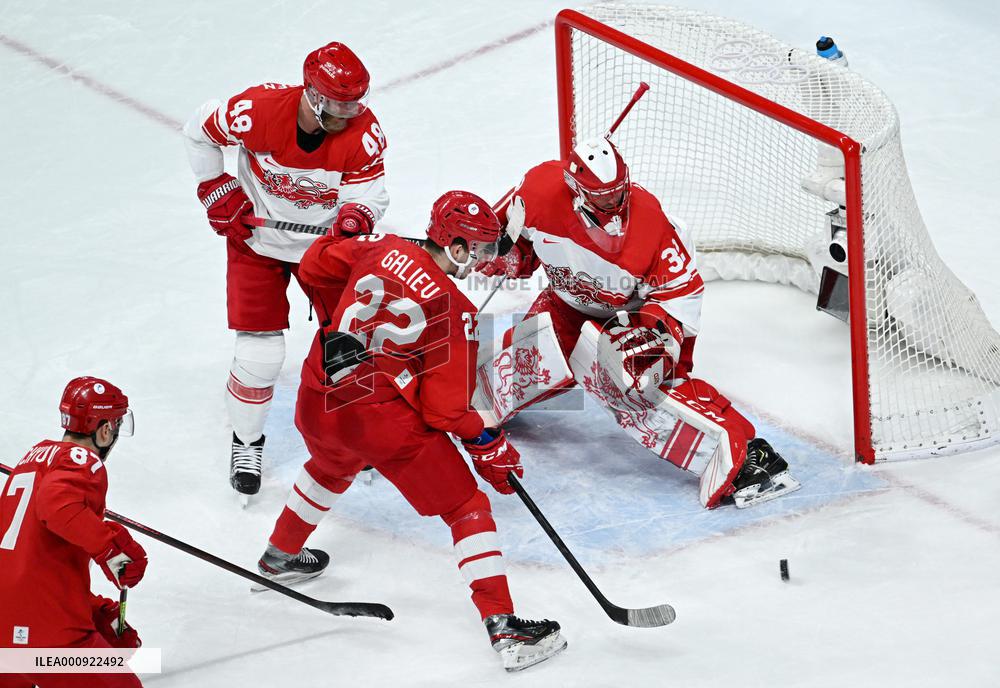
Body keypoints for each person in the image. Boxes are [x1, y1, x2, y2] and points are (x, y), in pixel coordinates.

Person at [256, 191, 566, 672]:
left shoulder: (382, 246)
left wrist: (351, 245)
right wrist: (486, 439)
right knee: (467, 507)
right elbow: (443, 411)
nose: (484, 262)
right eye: (481, 250)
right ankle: (505, 628)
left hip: (317, 395)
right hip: (378, 421)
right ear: (457, 248)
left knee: (330, 464)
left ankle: (279, 555)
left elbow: (315, 265)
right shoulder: (457, 310)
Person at [476, 137, 800, 509]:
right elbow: (503, 236)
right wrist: (505, 254)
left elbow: (683, 290)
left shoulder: (652, 222)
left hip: (629, 318)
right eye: (604, 198)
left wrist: (655, 331)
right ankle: (464, 408)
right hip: (566, 306)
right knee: (487, 392)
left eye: (619, 194)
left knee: (631, 384)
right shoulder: (539, 188)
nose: (614, 207)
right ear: (576, 190)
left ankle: (748, 457)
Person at [182, 41, 389, 501]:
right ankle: (247, 442)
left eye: (357, 102)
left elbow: (369, 192)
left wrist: (355, 218)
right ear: (314, 96)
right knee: (260, 355)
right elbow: (198, 130)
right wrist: (215, 187)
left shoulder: (363, 134)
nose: (351, 112)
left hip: (324, 247)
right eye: (341, 103)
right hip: (257, 243)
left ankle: (362, 436)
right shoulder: (256, 112)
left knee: (353, 344)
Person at [0, 377, 147, 688]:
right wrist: (113, 551)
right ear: (105, 429)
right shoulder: (84, 463)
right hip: (47, 637)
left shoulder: (29, 462)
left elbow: (29, 565)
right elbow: (56, 506)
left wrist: (92, 611)